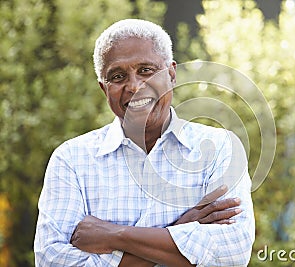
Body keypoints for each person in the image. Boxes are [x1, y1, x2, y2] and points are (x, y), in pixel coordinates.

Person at [34, 19, 255, 266]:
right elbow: (51, 260)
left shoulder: (220, 147)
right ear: (103, 89)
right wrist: (180, 232)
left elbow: (232, 253)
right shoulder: (71, 159)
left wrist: (115, 235)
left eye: (146, 71)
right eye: (117, 76)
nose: (135, 86)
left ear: (171, 75)